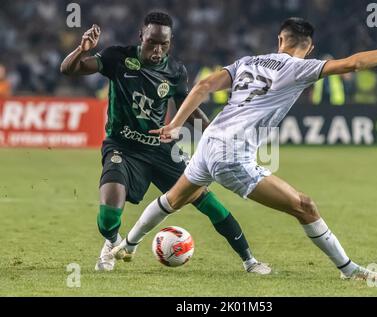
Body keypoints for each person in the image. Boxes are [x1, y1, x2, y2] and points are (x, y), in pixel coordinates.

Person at [111, 17, 377, 281]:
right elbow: (355, 63)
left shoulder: (248, 62)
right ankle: (349, 270)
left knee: (173, 199)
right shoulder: (298, 68)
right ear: (309, 47)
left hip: (208, 143)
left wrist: (176, 124)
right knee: (305, 206)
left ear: (280, 39)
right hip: (232, 154)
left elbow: (203, 86)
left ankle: (127, 244)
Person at [60, 11, 270, 274]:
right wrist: (82, 50)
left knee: (209, 202)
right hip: (121, 147)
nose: (158, 50)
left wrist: (215, 133)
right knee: (108, 218)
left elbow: (189, 108)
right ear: (141, 37)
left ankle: (250, 260)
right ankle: (113, 243)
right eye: (152, 43)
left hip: (161, 149)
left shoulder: (175, 71)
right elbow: (68, 70)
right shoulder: (117, 57)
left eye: (164, 44)